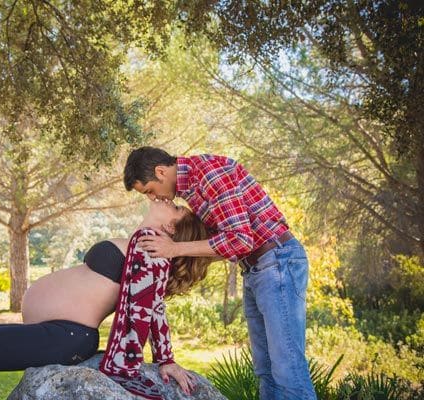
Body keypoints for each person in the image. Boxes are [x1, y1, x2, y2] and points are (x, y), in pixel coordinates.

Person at [0, 199, 212, 400]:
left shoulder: (151, 249)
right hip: (58, 331)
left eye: (177, 208)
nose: (169, 200)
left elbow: (152, 307)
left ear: (171, 228)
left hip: (66, 336)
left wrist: (166, 359)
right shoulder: (141, 243)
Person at [124, 146, 316, 400]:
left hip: (277, 263)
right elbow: (230, 243)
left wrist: (174, 248)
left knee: (287, 367)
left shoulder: (207, 174)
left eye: (149, 190)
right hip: (257, 268)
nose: (154, 198)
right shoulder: (193, 188)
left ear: (161, 172)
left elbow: (240, 239)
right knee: (266, 369)